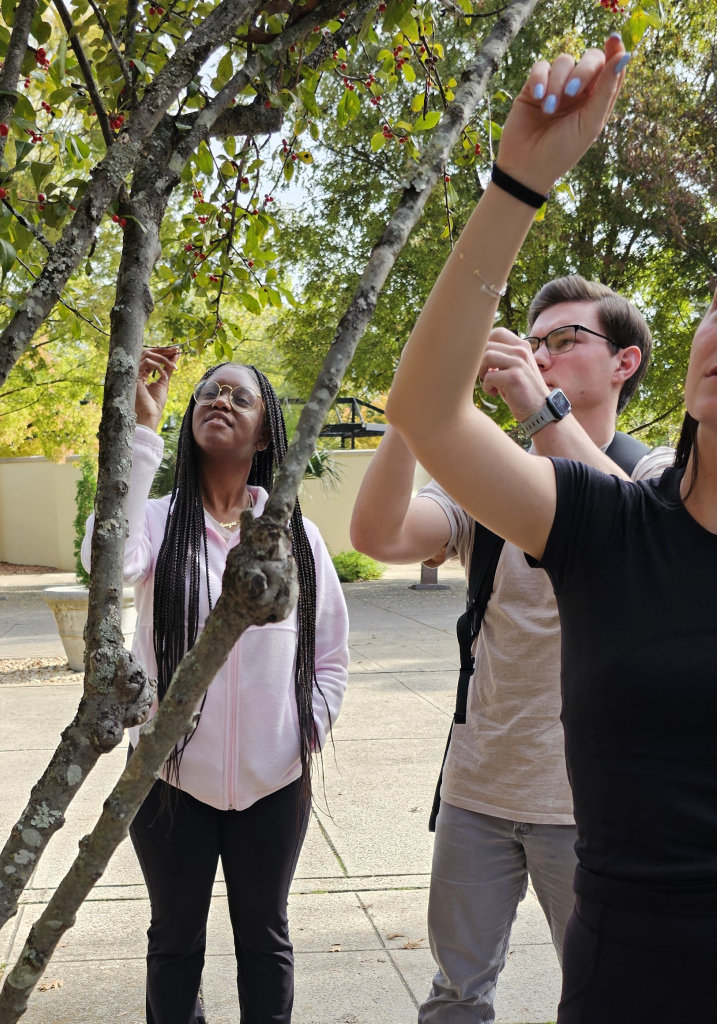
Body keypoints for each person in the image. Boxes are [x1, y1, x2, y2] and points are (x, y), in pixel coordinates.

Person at [385, 33, 717, 1023]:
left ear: (627, 365)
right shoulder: (616, 525)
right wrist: (514, 186)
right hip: (623, 984)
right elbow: (429, 413)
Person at [350, 271, 673, 1022]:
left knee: (609, 996)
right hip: (480, 790)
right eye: (535, 343)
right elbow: (377, 535)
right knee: (457, 993)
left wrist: (537, 406)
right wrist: (415, 404)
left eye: (566, 340)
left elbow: (635, 542)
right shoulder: (491, 484)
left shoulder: (655, 473)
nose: (543, 355)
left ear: (624, 362)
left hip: (594, 803)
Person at [82, 352, 349, 1024]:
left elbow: (331, 656)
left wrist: (300, 735)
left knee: (265, 940)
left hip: (274, 785)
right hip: (168, 784)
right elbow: (101, 564)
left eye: (239, 395)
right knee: (174, 944)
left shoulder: (294, 538)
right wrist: (142, 435)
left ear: (264, 434)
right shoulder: (157, 522)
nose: (220, 400)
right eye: (208, 391)